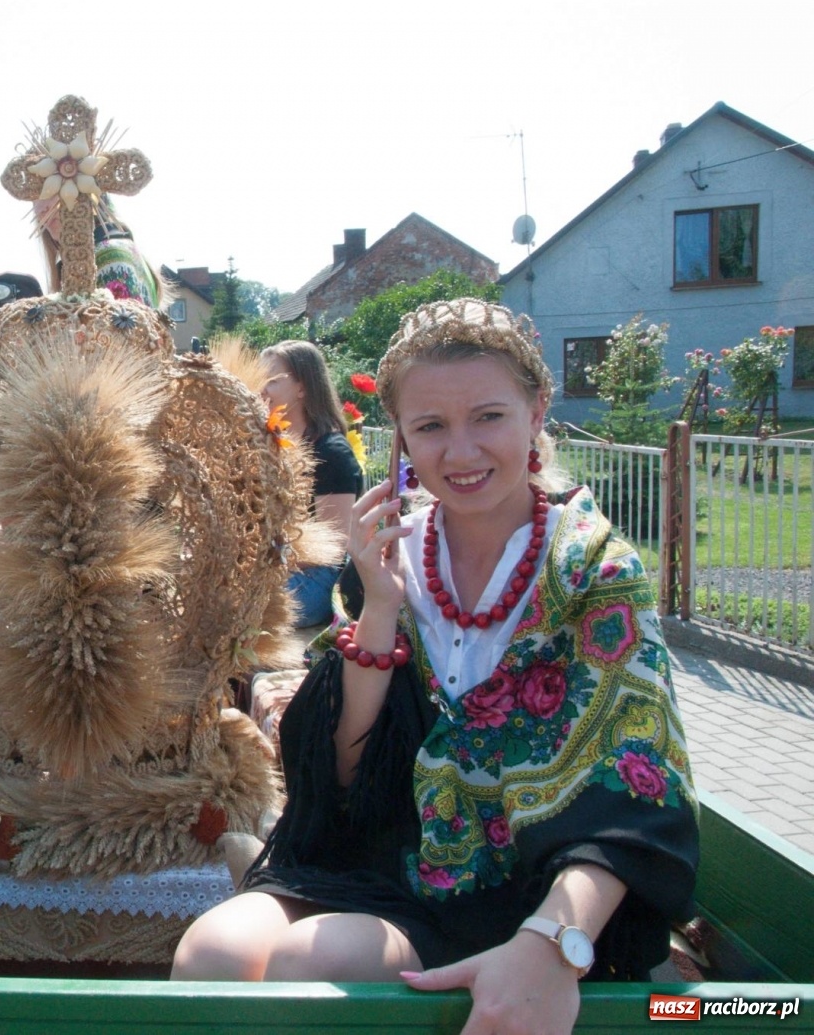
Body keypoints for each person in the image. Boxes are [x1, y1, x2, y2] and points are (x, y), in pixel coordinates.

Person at [174, 299, 698, 1035]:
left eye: (488, 416)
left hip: (527, 888)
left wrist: (552, 943)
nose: (460, 453)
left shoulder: (591, 569)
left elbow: (640, 783)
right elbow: (349, 779)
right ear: (401, 437)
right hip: (385, 860)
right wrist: (381, 606)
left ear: (537, 408)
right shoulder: (392, 556)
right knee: (212, 954)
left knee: (305, 965)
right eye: (430, 427)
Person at [258, 340, 362, 627]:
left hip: (319, 578)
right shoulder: (274, 446)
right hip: (280, 567)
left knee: (240, 607)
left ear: (303, 388)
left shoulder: (331, 452)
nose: (261, 388)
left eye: (272, 380)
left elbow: (333, 548)